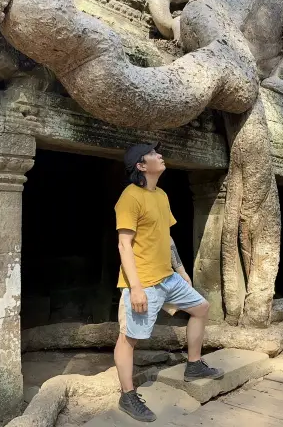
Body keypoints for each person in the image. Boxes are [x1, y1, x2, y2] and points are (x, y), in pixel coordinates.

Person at [114, 142, 223, 423]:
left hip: (168, 277)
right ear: (141, 166)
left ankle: (194, 365)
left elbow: (166, 236)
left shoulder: (161, 195)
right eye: (153, 154)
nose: (159, 156)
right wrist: (135, 287)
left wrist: (181, 269)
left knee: (201, 308)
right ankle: (127, 395)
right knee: (130, 339)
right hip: (143, 282)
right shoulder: (130, 197)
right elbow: (124, 245)